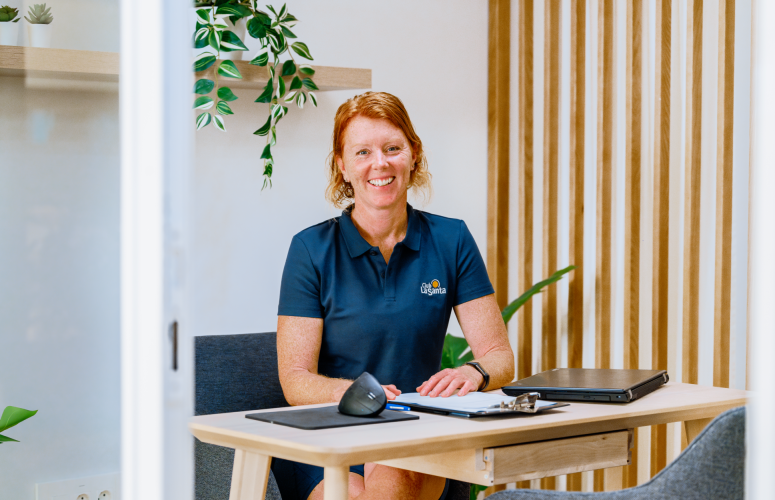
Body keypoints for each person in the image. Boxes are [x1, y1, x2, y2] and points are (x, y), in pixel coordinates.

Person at [273, 91, 515, 500]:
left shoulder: (452, 239)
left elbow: (500, 356)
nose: (379, 163)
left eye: (392, 148)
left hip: (416, 434)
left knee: (392, 469)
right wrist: (354, 394)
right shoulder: (310, 249)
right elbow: (295, 380)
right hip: (330, 432)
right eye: (362, 152)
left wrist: (474, 373)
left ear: (413, 154)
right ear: (342, 165)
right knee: (350, 493)